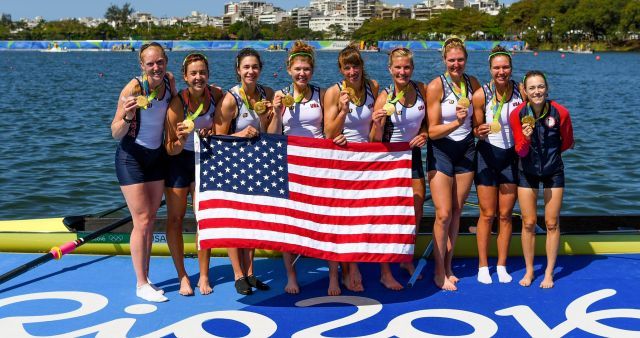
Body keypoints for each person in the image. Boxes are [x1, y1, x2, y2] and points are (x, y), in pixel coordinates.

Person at [110, 42, 177, 302]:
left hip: (156, 156)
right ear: (142, 65)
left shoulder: (170, 82)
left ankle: (147, 277)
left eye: (159, 62)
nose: (156, 67)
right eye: (150, 64)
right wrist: (127, 117)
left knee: (150, 218)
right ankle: (140, 283)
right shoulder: (133, 88)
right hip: (131, 157)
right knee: (142, 221)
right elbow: (115, 132)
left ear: (166, 62)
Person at [213, 48, 280, 295]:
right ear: (238, 70)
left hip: (258, 164)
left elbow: (272, 132)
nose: (250, 71)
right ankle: (238, 273)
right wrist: (239, 135)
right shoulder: (231, 99)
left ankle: (251, 272)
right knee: (235, 221)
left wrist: (272, 116)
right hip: (233, 164)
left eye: (255, 67)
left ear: (260, 69)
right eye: (246, 67)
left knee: (253, 220)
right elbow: (217, 136)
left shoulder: (268, 93)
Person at [271, 41, 332, 295]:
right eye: (297, 69)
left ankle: (333, 278)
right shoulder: (279, 95)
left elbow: (329, 131)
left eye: (306, 69)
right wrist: (275, 113)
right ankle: (291, 276)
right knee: (289, 224)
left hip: (317, 165)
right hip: (290, 165)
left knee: (327, 222)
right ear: (288, 70)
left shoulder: (322, 94)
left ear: (312, 70)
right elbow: (272, 135)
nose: (302, 73)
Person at [164, 53, 223, 296]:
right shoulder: (177, 104)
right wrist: (181, 138)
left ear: (208, 75)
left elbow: (225, 123)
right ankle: (183, 276)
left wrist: (215, 129)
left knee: (204, 218)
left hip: (204, 159)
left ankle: (205, 275)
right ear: (186, 77)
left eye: (202, 73)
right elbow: (170, 149)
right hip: (178, 161)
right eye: (194, 73)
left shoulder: (216, 95)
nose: (199, 77)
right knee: (176, 219)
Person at [370, 47, 428, 291]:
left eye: (406, 67)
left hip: (411, 154)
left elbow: (426, 123)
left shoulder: (421, 89)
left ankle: (406, 258)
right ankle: (385, 271)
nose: (402, 72)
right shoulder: (384, 96)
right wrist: (377, 122)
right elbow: (374, 140)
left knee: (416, 208)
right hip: (389, 157)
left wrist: (424, 134)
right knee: (389, 216)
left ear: (412, 69)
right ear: (390, 70)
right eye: (398, 68)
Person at [323, 45, 380, 293]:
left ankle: (353, 266)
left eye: (356, 65)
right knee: (341, 219)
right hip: (342, 160)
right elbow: (328, 133)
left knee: (361, 218)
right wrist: (344, 111)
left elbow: (376, 127)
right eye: (347, 67)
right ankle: (347, 271)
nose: (352, 71)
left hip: (366, 161)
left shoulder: (374, 87)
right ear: (341, 69)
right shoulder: (334, 92)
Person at [509, 70, 574, 288]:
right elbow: (520, 151)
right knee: (528, 223)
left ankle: (548, 272)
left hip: (553, 171)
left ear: (547, 88)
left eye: (540, 87)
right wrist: (526, 138)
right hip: (527, 170)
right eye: (532, 88)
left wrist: (551, 157)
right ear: (525, 92)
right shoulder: (517, 114)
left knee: (551, 223)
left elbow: (567, 142)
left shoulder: (561, 112)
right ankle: (529, 271)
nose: (537, 91)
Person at [426, 37, 481, 291]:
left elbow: (477, 122)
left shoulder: (473, 84)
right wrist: (456, 124)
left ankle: (448, 265)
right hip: (442, 150)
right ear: (444, 61)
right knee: (443, 214)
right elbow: (433, 131)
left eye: (460, 60)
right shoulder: (436, 86)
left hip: (467, 150)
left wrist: (481, 130)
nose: (456, 64)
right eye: (451, 61)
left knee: (457, 212)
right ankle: (438, 272)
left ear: (466, 60)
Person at [471, 46, 523, 284]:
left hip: (511, 158)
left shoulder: (521, 92)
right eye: (497, 68)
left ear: (511, 69)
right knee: (487, 213)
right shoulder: (481, 94)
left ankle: (501, 265)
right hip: (487, 155)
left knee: (505, 215)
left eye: (505, 67)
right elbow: (475, 128)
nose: (501, 72)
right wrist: (478, 130)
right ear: (490, 70)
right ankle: (483, 266)